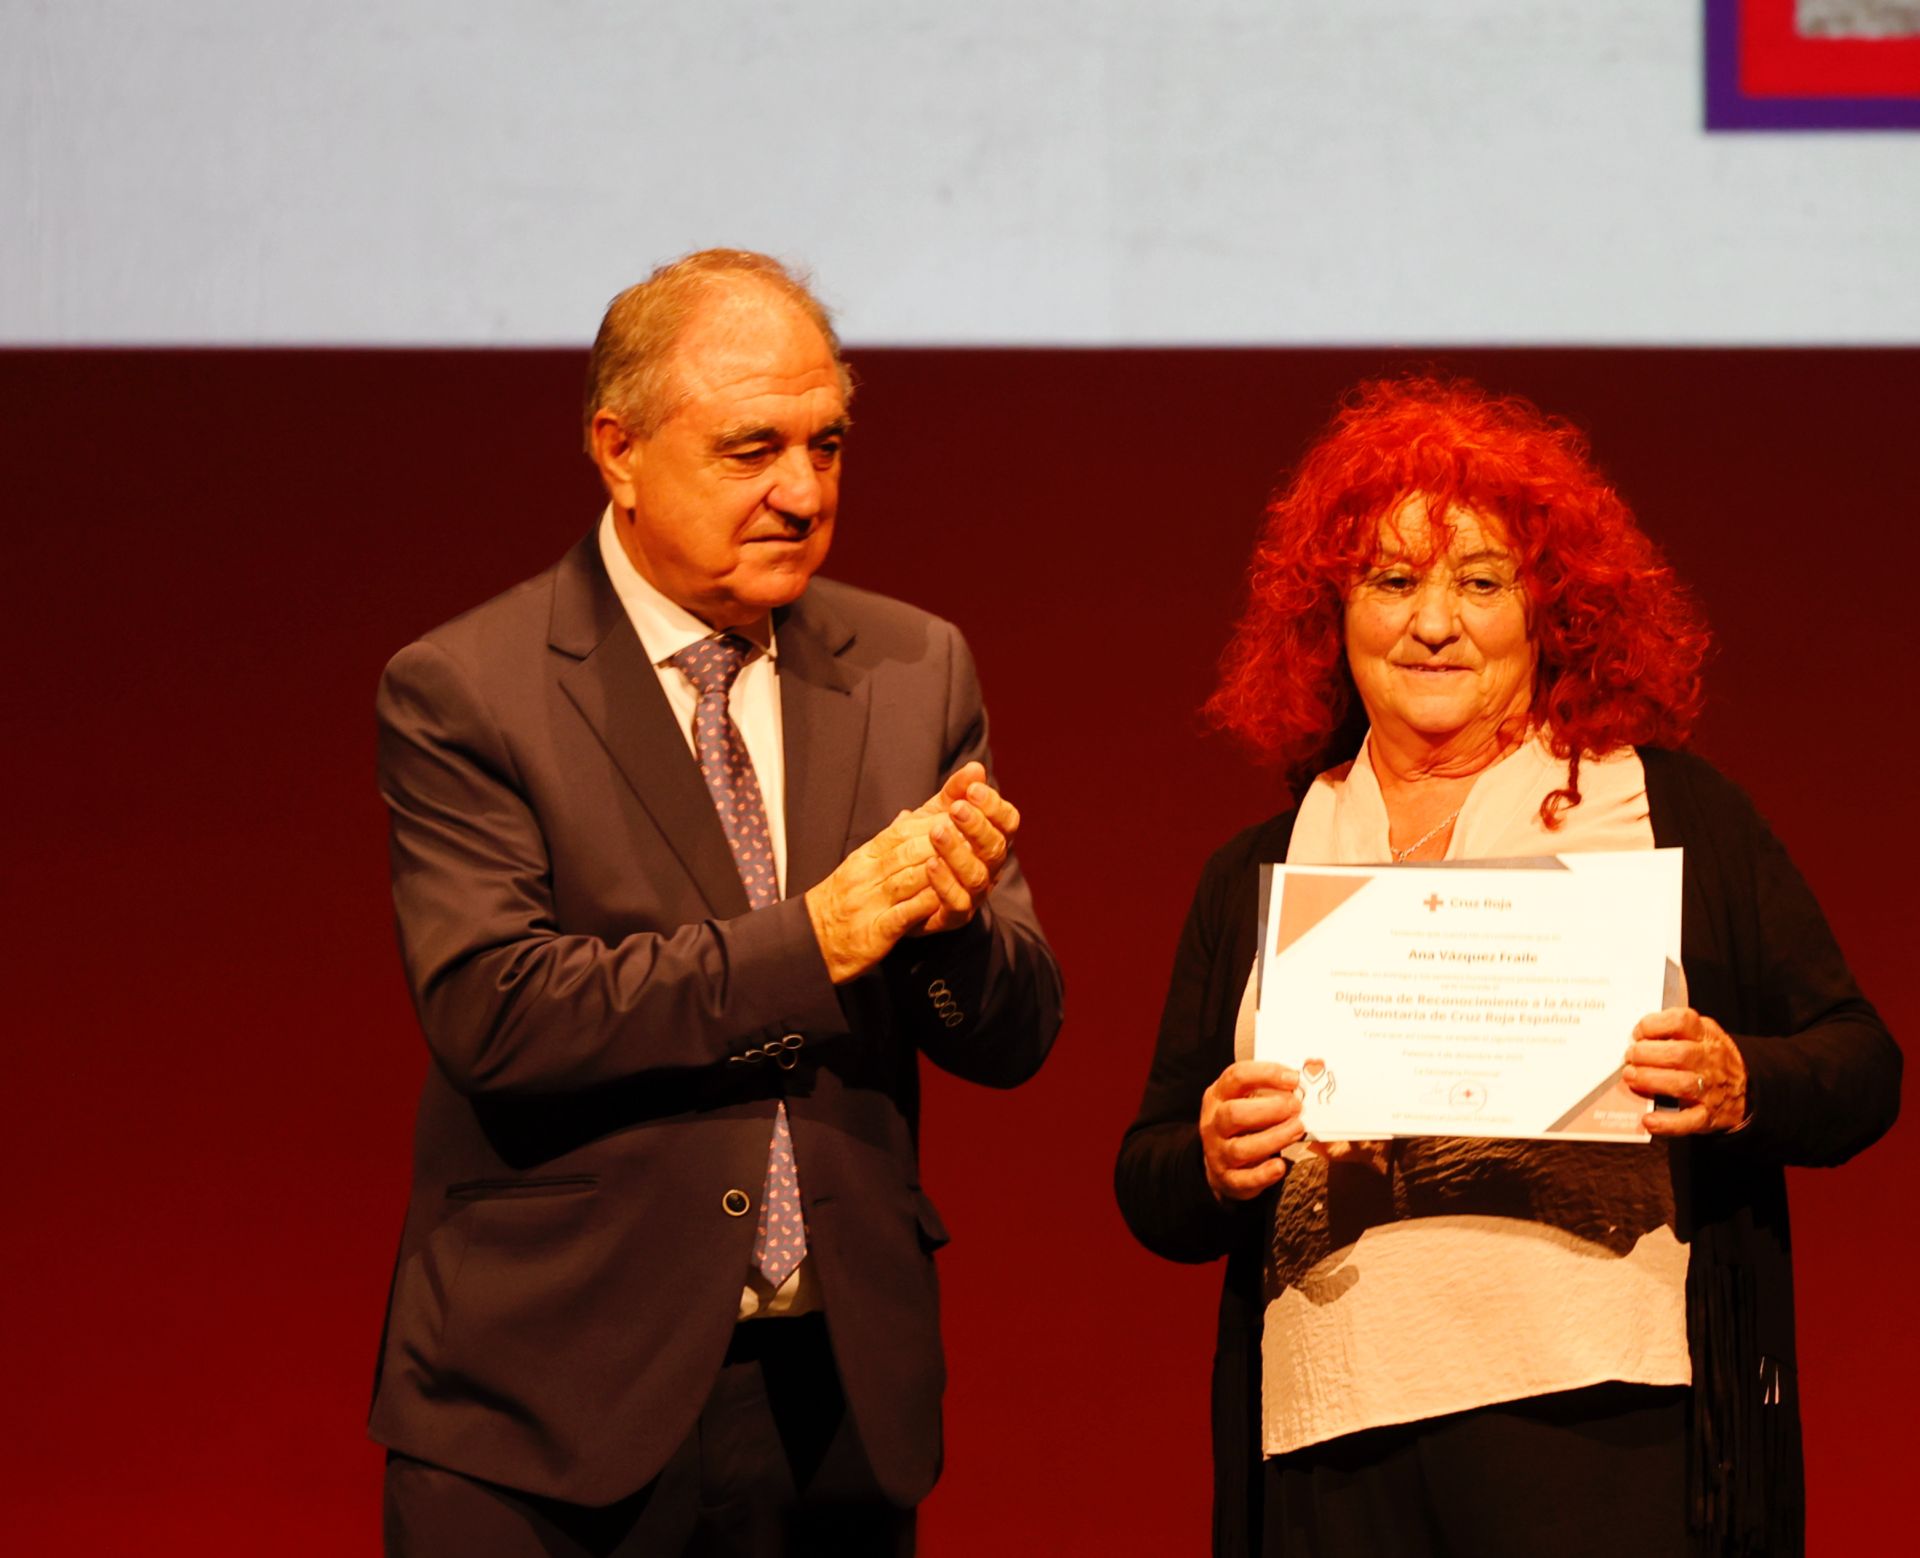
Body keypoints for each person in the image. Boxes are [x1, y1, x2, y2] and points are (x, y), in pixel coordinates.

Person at [1113, 376, 1899, 1558]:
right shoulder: (1263, 870)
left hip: (1609, 1426)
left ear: (1552, 611)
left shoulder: (1670, 816)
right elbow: (1150, 1174)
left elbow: (1862, 1065)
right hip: (1337, 1442)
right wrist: (1215, 1157)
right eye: (1393, 581)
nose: (1435, 622)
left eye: (1481, 582)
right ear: (1331, 613)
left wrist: (1742, 1081)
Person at [369, 249, 1062, 1556]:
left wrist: (953, 926)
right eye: (753, 449)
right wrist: (823, 936)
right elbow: (496, 1012)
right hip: (549, 1407)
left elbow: (1014, 1029)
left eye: (829, 444)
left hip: (832, 1403)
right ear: (617, 451)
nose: (803, 492)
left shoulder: (914, 667)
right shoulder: (470, 687)